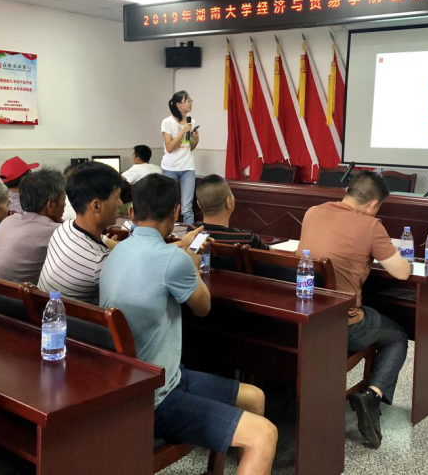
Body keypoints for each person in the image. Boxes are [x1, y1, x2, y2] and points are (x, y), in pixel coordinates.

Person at [101, 174, 278, 474]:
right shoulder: (175, 260)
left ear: (131, 212)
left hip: (147, 378)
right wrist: (192, 264)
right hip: (156, 397)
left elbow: (159, 262)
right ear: (175, 212)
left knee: (254, 397)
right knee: (265, 434)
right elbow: (203, 307)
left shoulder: (118, 250)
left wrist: (181, 253)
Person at [297, 171, 411, 449]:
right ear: (373, 204)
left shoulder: (313, 212)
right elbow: (402, 272)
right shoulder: (371, 226)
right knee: (398, 335)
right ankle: (371, 396)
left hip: (305, 316)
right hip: (343, 325)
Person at [37, 162, 122, 304]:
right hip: (74, 318)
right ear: (96, 206)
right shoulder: (99, 263)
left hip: (47, 311)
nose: (120, 203)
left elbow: (104, 240)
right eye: (117, 197)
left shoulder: (65, 228)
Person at [0, 168, 66, 284]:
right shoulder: (56, 232)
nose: (65, 205)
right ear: (50, 205)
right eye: (63, 200)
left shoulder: (9, 220)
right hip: (11, 295)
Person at [193, 174, 269, 249]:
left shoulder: (192, 231)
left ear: (199, 204)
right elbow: (271, 253)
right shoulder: (248, 239)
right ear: (228, 202)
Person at [161, 90, 199, 224]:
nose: (190, 103)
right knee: (168, 205)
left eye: (190, 101)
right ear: (178, 104)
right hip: (169, 169)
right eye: (188, 101)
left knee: (187, 208)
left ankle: (189, 234)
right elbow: (170, 148)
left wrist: (195, 140)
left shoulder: (191, 121)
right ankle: (167, 232)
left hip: (188, 168)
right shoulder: (167, 122)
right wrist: (182, 131)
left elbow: (189, 147)